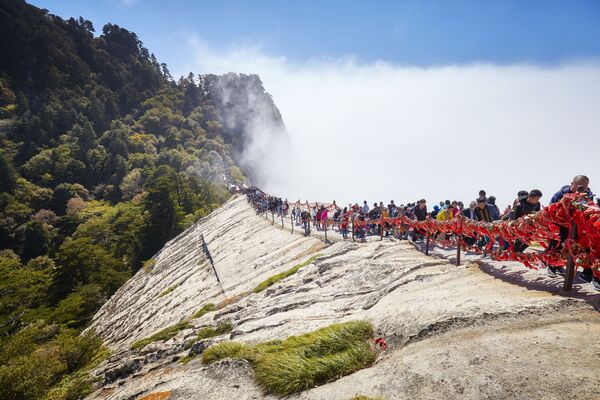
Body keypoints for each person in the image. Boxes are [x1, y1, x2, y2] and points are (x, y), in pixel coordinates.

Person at [545, 175, 597, 289]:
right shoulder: (560, 194)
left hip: (578, 226)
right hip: (560, 224)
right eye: (579, 185)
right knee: (556, 245)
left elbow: (589, 209)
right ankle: (551, 267)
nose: (582, 187)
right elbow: (550, 209)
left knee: (582, 248)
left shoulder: (588, 195)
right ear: (572, 183)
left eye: (585, 185)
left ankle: (586, 273)